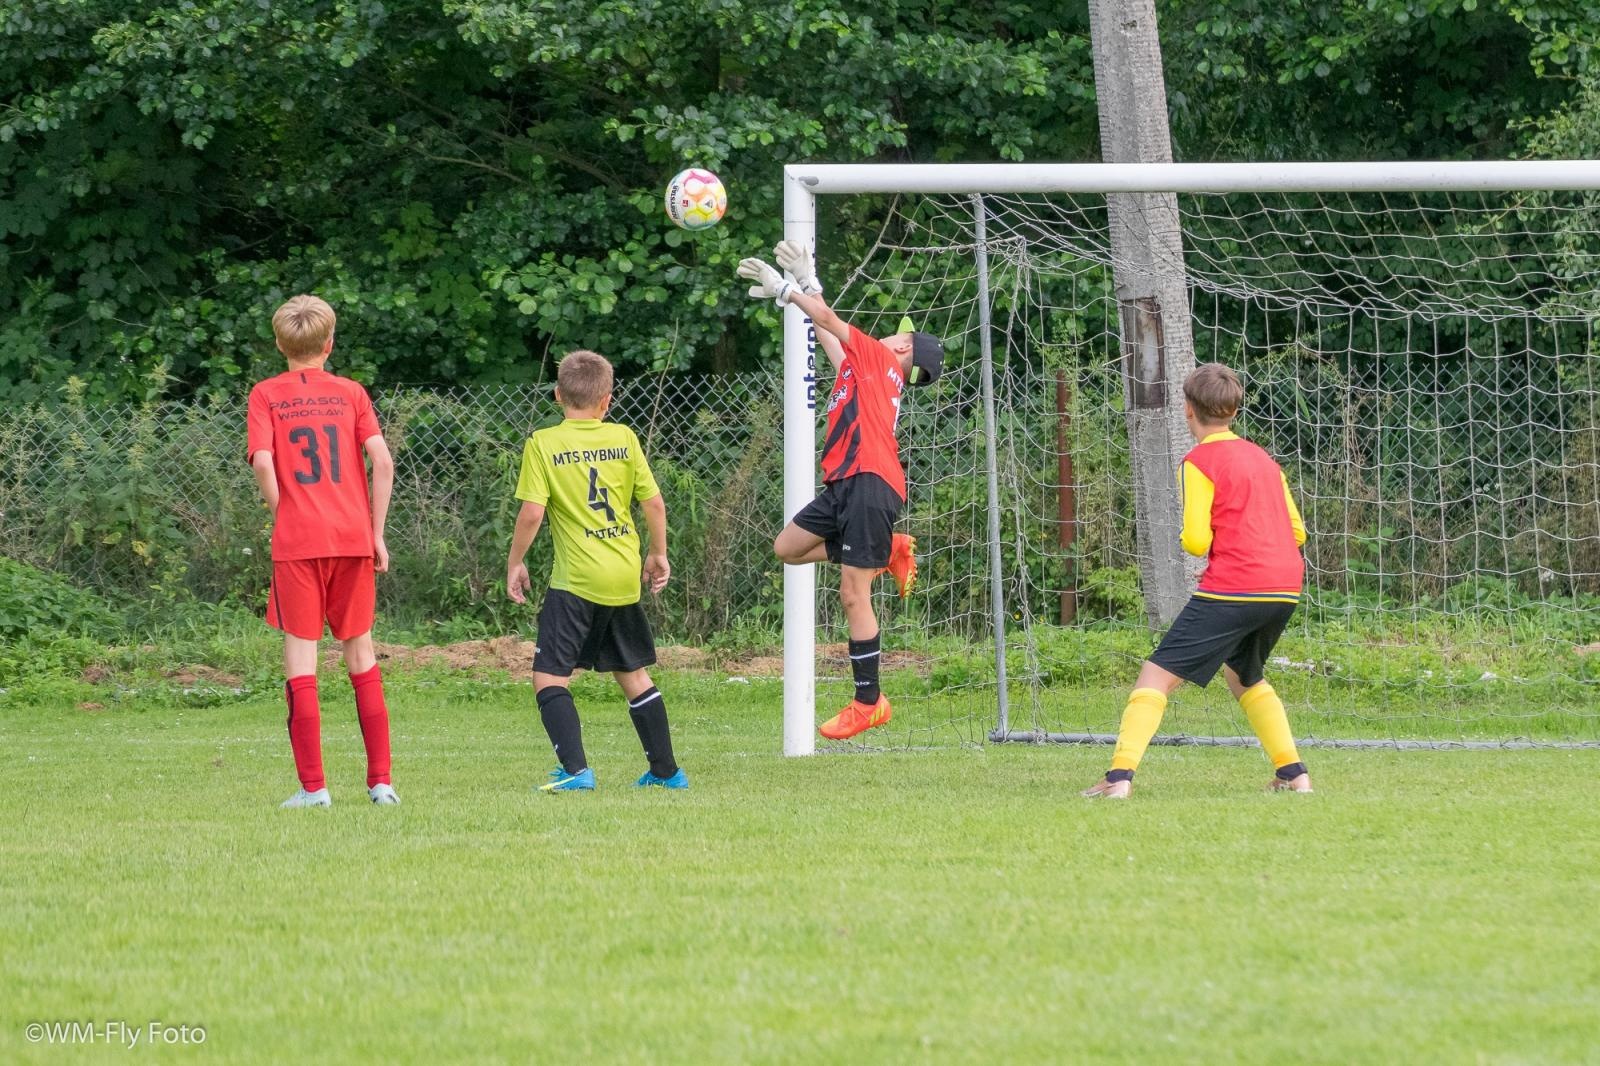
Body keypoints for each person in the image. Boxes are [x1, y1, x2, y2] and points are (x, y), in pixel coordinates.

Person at [738, 241, 943, 741]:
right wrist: (809, 281)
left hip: (871, 482)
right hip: (849, 482)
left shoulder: (879, 357)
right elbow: (832, 340)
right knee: (787, 548)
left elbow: (828, 321)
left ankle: (869, 701)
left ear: (902, 348)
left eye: (902, 334)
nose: (895, 333)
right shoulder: (870, 368)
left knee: (854, 594)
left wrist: (787, 290)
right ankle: (886, 550)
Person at [1083, 362, 1313, 799]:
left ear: (1188, 411)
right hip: (1285, 585)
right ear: (1234, 411)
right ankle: (1293, 774)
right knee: (1244, 675)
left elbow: (1194, 538)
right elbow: (1297, 531)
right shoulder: (1264, 460)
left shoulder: (1198, 460)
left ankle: (1118, 780)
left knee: (1155, 676)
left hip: (1237, 585)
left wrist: (1217, 546)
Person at [505, 349, 683, 792]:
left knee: (549, 676)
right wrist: (658, 554)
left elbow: (531, 513)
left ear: (557, 395)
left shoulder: (544, 444)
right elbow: (654, 503)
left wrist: (515, 561)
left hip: (577, 580)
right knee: (634, 674)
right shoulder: (623, 437)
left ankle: (576, 771)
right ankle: (666, 773)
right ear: (607, 400)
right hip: (623, 575)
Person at [247, 295, 398, 808]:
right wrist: (375, 532)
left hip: (300, 543)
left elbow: (264, 462)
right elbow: (382, 460)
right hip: (352, 538)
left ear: (279, 345)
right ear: (329, 345)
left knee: (301, 661)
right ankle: (381, 783)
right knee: (361, 656)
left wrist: (282, 511)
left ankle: (314, 790)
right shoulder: (352, 393)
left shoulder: (266, 394)